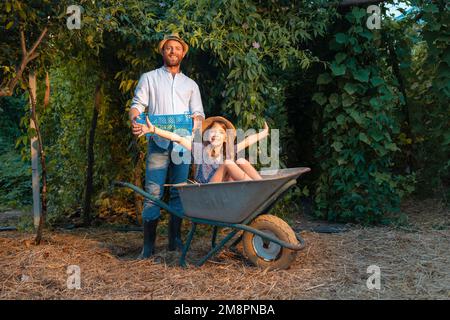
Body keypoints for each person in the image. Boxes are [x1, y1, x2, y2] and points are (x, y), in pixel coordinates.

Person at [129, 33, 205, 258]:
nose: (173, 51)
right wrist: (135, 120)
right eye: (169, 48)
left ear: (183, 53)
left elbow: (199, 113)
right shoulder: (149, 78)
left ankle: (175, 242)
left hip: (182, 145)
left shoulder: (190, 84)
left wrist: (196, 122)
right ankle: (148, 247)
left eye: (177, 48)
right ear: (163, 52)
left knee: (179, 192)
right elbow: (137, 105)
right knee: (153, 192)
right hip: (158, 143)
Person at [137, 116, 269, 183]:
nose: (216, 134)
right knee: (228, 163)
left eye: (220, 133)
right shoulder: (200, 150)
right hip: (208, 188)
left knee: (241, 161)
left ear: (225, 138)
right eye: (213, 131)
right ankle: (252, 186)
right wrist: (154, 130)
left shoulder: (227, 150)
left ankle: (260, 185)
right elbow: (178, 138)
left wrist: (263, 133)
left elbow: (247, 141)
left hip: (226, 188)